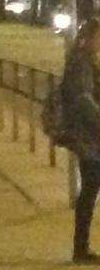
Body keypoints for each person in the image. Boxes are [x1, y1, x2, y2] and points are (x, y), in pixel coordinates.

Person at [63, 17, 100, 263]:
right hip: (90, 136)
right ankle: (80, 248)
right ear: (89, 38)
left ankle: (81, 248)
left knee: (89, 190)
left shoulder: (86, 61)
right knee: (89, 190)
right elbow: (84, 101)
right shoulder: (81, 64)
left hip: (90, 135)